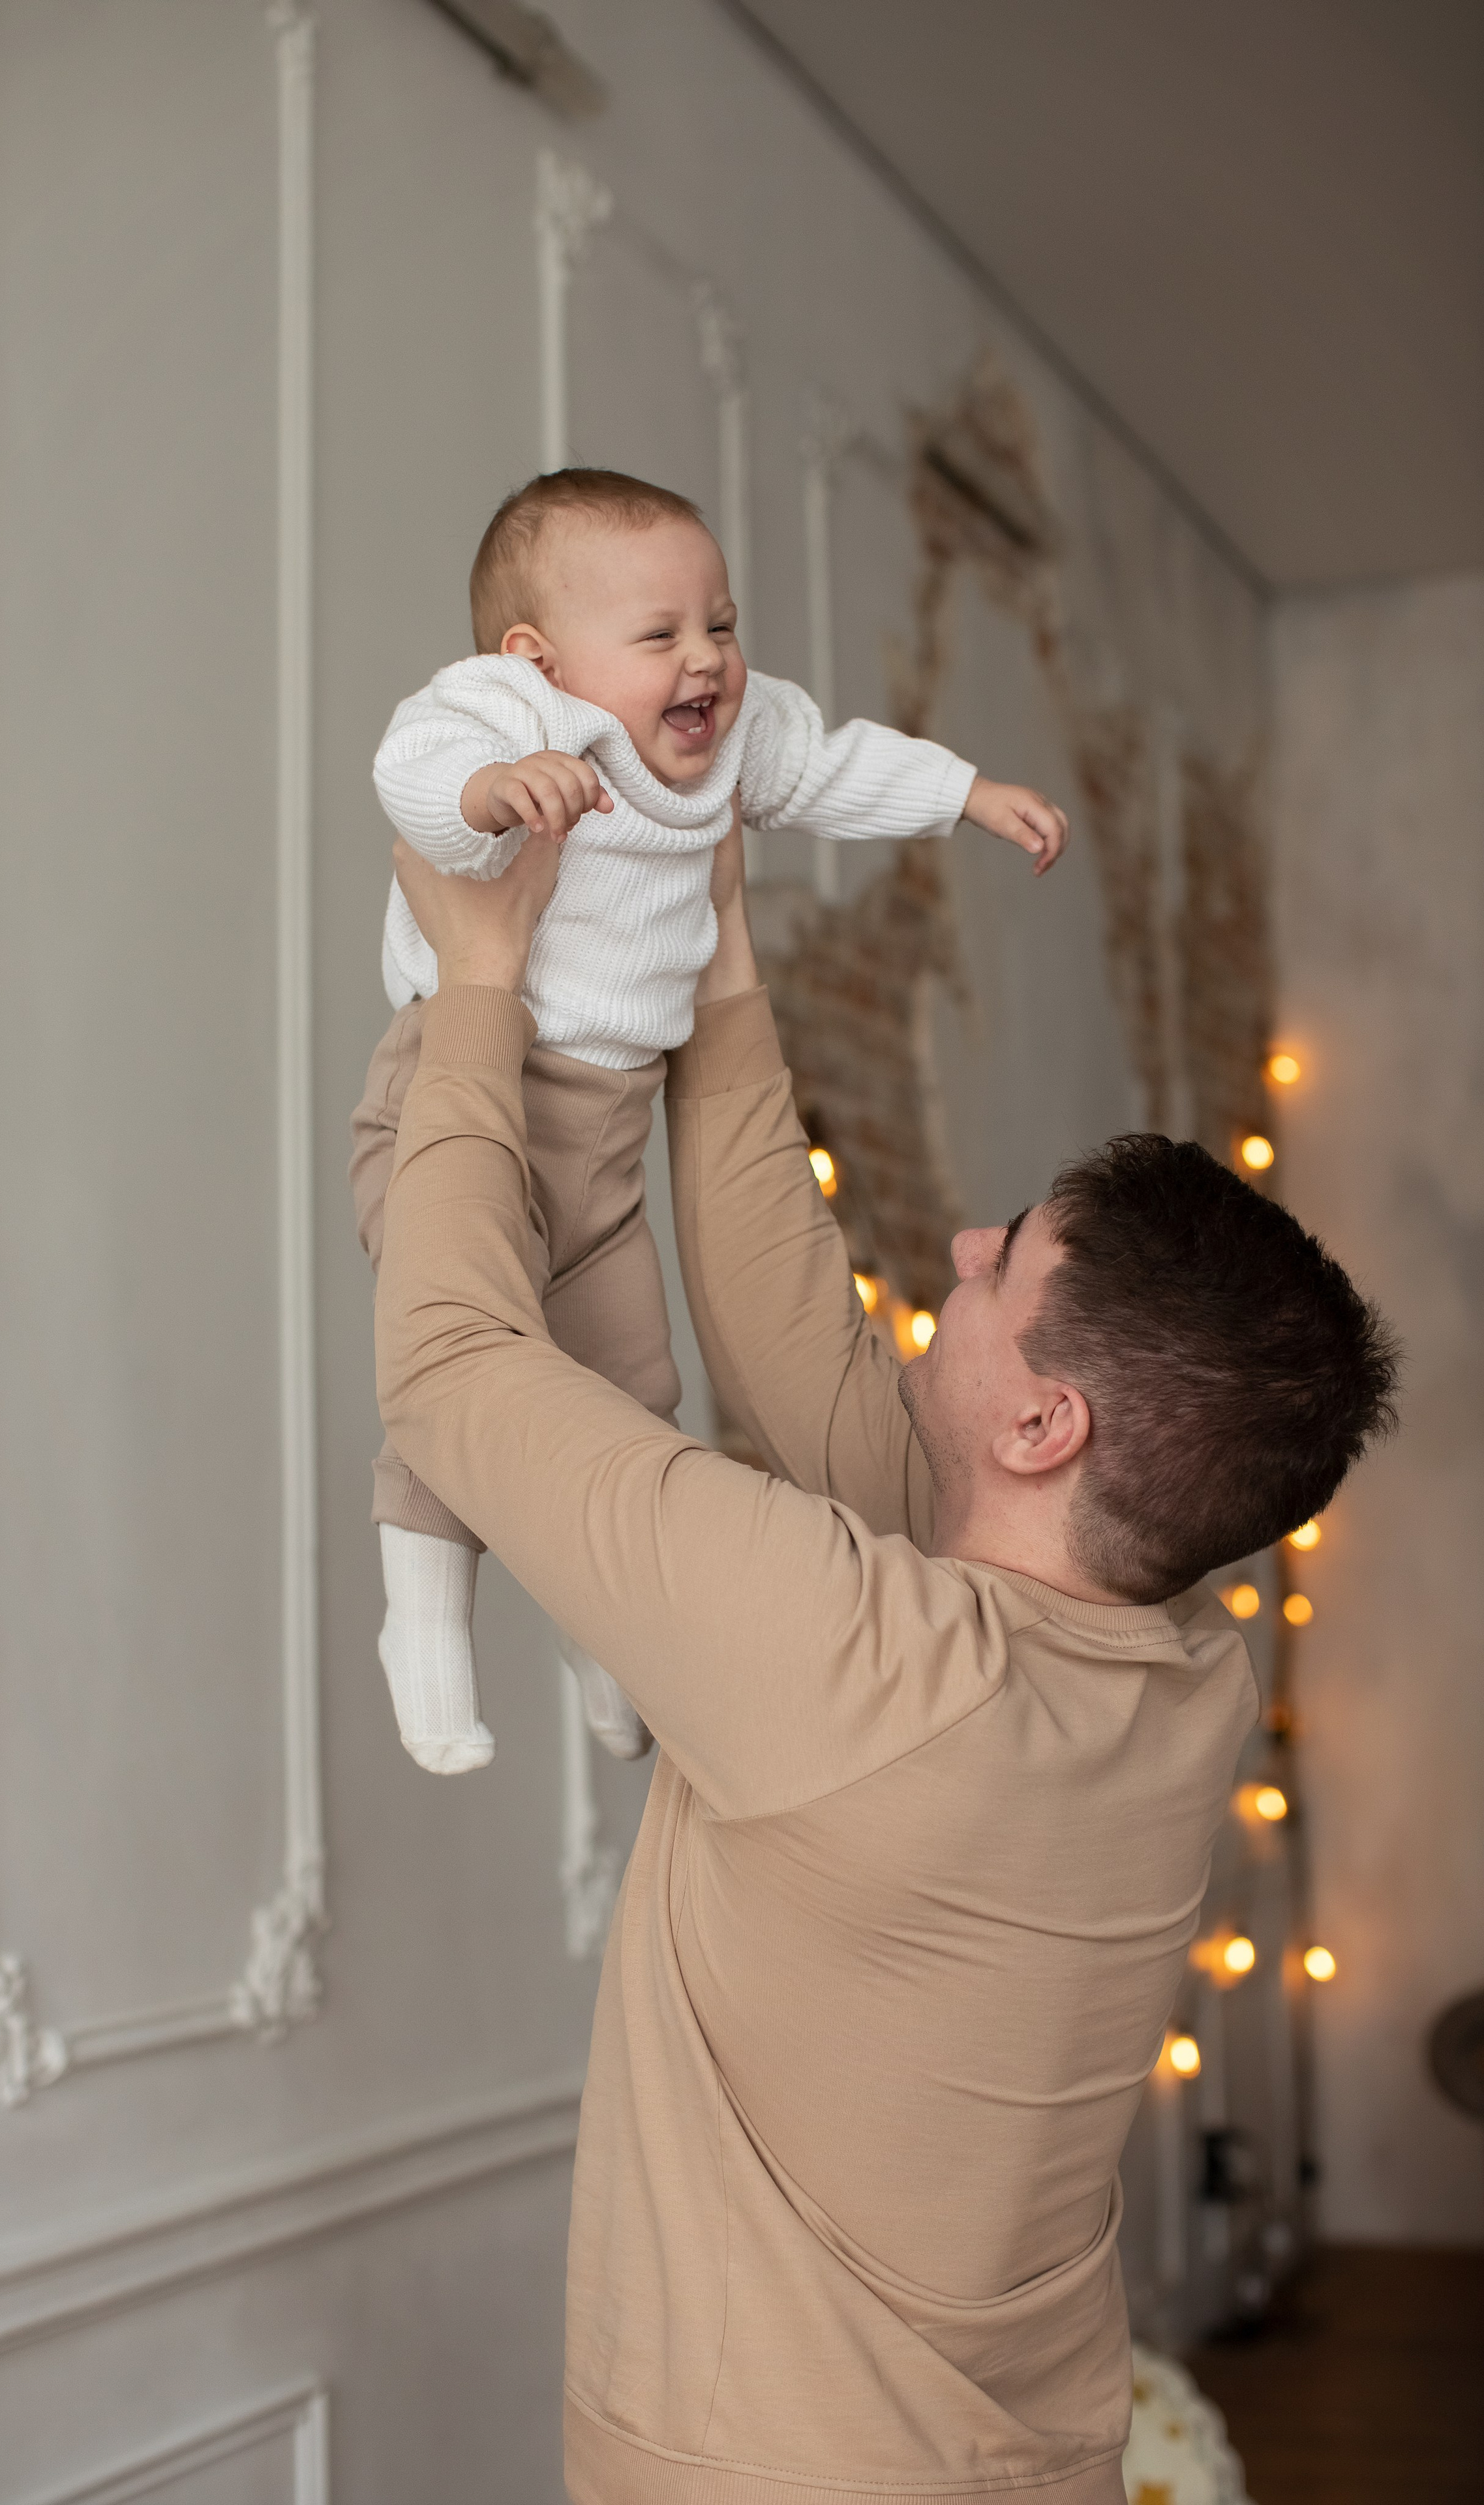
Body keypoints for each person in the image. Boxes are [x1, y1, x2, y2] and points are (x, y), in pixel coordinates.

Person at [357, 817, 1398, 2505]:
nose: (965, 1254)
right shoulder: (1179, 1671)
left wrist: (479, 980)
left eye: (1007, 1255)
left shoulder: (857, 1655)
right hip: (1026, 2462)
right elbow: (804, 1355)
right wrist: (717, 946)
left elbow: (451, 1359)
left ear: (1044, 1425)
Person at [354, 466, 1068, 1774]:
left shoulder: (735, 736)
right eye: (660, 635)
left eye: (721, 625)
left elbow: (835, 761)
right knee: (460, 1367)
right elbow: (412, 768)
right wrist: (492, 792)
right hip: (456, 1085)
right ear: (538, 658)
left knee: (630, 1387)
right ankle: (425, 1629)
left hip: (608, 1131)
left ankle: (602, 1634)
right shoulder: (512, 713)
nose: (708, 661)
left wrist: (965, 794)